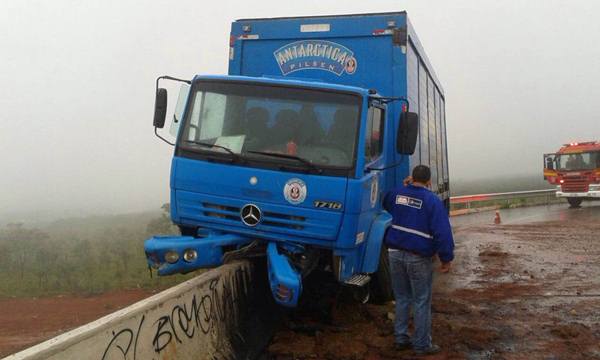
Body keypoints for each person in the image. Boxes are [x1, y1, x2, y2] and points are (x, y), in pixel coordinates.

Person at [383, 165, 454, 356]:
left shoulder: (396, 194)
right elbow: (442, 232)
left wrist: (404, 186)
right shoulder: (432, 201)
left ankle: (401, 338)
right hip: (418, 258)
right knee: (421, 301)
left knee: (402, 297)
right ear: (429, 182)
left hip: (394, 253)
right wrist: (446, 258)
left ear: (411, 178)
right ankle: (422, 345)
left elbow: (386, 201)